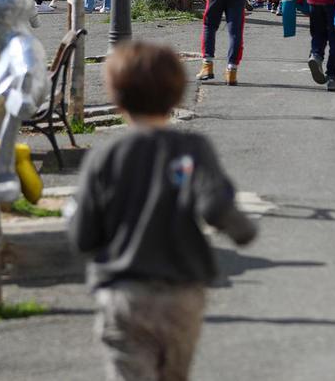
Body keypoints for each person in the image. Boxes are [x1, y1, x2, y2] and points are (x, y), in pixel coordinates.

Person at [67, 41, 257, 381]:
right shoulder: (192, 150)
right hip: (182, 293)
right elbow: (215, 205)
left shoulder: (105, 157)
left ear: (117, 97)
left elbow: (84, 235)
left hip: (125, 292)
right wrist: (242, 229)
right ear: (176, 95)